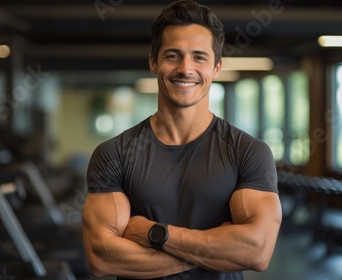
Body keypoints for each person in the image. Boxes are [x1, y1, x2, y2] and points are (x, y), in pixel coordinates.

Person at [81, 0, 282, 279]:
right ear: (153, 62)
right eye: (173, 56)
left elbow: (256, 252)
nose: (186, 69)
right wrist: (216, 249)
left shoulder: (247, 152)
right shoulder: (114, 154)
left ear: (216, 68)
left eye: (199, 57)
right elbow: (103, 258)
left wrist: (156, 234)